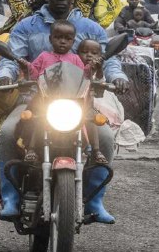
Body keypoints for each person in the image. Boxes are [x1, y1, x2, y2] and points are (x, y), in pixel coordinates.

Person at [0, 0, 127, 224]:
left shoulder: (91, 28)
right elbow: (11, 58)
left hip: (79, 103)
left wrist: (118, 77)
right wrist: (5, 75)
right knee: (9, 132)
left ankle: (94, 200)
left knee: (106, 138)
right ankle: (11, 197)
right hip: (35, 101)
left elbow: (109, 59)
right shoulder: (27, 26)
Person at [16, 20, 105, 164]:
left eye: (68, 39)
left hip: (71, 101)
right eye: (58, 38)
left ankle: (95, 150)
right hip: (46, 101)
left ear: (73, 41)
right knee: (36, 118)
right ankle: (31, 148)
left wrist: (95, 67)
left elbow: (84, 76)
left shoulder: (75, 58)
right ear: (51, 39)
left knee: (91, 117)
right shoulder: (44, 56)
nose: (62, 42)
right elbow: (33, 73)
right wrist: (26, 66)